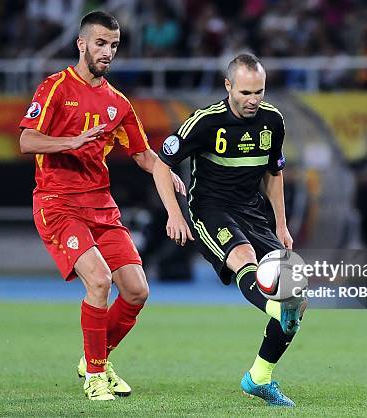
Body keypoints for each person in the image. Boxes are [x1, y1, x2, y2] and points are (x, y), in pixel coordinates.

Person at [18, 11, 185, 401]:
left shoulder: (118, 103)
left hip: (101, 207)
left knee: (137, 291)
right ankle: (95, 376)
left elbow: (143, 155)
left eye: (113, 45)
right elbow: (27, 141)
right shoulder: (55, 88)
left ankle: (95, 358)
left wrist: (166, 173)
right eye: (100, 44)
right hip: (58, 204)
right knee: (99, 280)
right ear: (81, 44)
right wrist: (70, 142)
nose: (108, 51)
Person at [152, 53, 305, 407]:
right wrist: (173, 214)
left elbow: (274, 173)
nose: (254, 100)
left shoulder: (272, 121)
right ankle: (275, 310)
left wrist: (281, 225)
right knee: (244, 257)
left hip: (253, 213)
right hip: (210, 209)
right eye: (246, 92)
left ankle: (259, 378)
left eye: (260, 92)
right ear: (228, 86)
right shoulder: (204, 123)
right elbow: (162, 166)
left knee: (298, 295)